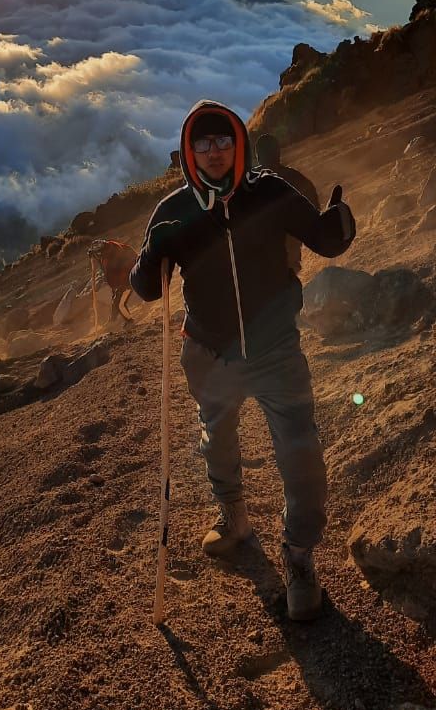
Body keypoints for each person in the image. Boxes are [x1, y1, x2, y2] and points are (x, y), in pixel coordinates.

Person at [130, 100, 356, 622]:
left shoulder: (271, 192)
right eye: (202, 142)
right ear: (189, 151)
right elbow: (146, 289)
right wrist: (150, 256)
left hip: (276, 349)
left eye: (222, 139)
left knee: (301, 456)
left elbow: (323, 240)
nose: (214, 150)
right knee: (217, 439)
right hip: (209, 353)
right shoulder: (173, 212)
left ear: (238, 142)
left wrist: (340, 224)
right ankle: (234, 517)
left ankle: (298, 555)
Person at [255, 132, 320, 274]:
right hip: (289, 247)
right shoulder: (296, 178)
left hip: (261, 251)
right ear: (278, 152)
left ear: (258, 156)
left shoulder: (247, 181)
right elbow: (315, 210)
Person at [87, 239, 137, 322]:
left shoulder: (113, 258)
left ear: (100, 252)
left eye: (97, 254)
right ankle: (112, 320)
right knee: (115, 301)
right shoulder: (108, 249)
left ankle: (130, 321)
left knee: (119, 304)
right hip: (122, 280)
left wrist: (121, 286)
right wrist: (93, 255)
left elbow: (121, 271)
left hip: (126, 281)